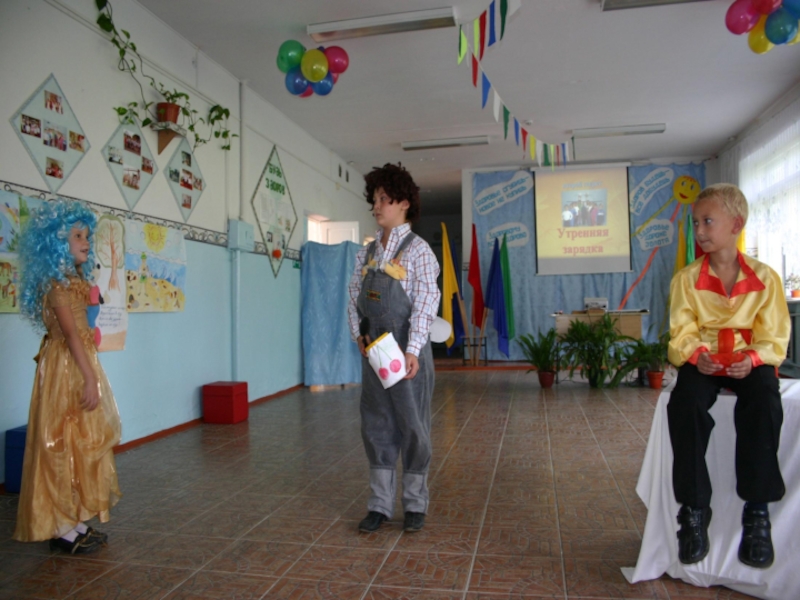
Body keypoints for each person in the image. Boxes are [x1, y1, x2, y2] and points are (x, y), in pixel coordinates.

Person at [666, 183, 789, 569]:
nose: (699, 230)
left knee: (765, 398)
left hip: (747, 360)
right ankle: (693, 509)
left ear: (736, 225)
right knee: (685, 402)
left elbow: (774, 335)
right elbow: (681, 331)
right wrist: (697, 355)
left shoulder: (766, 278)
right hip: (704, 360)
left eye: (708, 221)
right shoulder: (686, 279)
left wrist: (752, 358)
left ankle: (757, 511)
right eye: (695, 222)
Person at [14, 200, 122, 554]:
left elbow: (86, 327)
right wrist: (90, 379)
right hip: (65, 368)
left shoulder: (75, 282)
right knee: (59, 441)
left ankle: (73, 519)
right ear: (57, 242)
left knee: (79, 441)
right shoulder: (57, 286)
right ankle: (59, 526)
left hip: (79, 364)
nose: (86, 242)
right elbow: (72, 335)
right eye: (78, 236)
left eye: (87, 236)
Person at [347, 163, 440, 533]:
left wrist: (413, 349)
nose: (376, 206)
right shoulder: (366, 254)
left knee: (413, 424)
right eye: (374, 199)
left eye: (384, 199)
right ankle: (379, 505)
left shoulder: (419, 251)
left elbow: (426, 305)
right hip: (375, 351)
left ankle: (415, 503)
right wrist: (358, 334)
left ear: (403, 203)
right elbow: (353, 298)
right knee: (376, 423)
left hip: (406, 351)